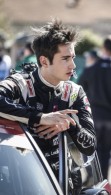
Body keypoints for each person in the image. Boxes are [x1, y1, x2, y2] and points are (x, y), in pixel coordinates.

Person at [0, 19, 96, 195]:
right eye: (65, 59)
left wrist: (70, 125)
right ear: (44, 61)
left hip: (63, 183)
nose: (73, 66)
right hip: (19, 182)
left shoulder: (74, 92)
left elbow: (90, 146)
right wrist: (41, 118)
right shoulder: (20, 84)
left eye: (73, 58)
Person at [78, 35, 111, 179]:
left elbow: (79, 92)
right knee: (107, 153)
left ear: (103, 48)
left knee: (90, 150)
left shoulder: (91, 70)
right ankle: (103, 181)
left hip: (92, 117)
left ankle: (92, 180)